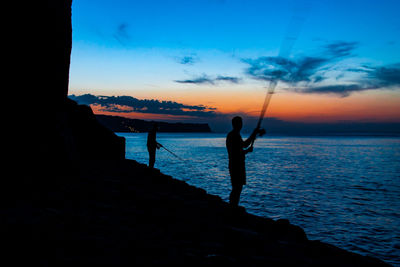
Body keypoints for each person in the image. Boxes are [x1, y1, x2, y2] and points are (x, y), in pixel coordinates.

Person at [226, 116, 260, 208]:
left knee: (237, 187)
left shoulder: (233, 135)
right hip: (236, 165)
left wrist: (247, 151)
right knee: (237, 187)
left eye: (241, 123)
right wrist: (253, 134)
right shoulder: (234, 135)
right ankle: (233, 207)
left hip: (235, 164)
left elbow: (239, 151)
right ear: (235, 124)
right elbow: (244, 145)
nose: (241, 125)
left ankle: (233, 206)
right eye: (239, 123)